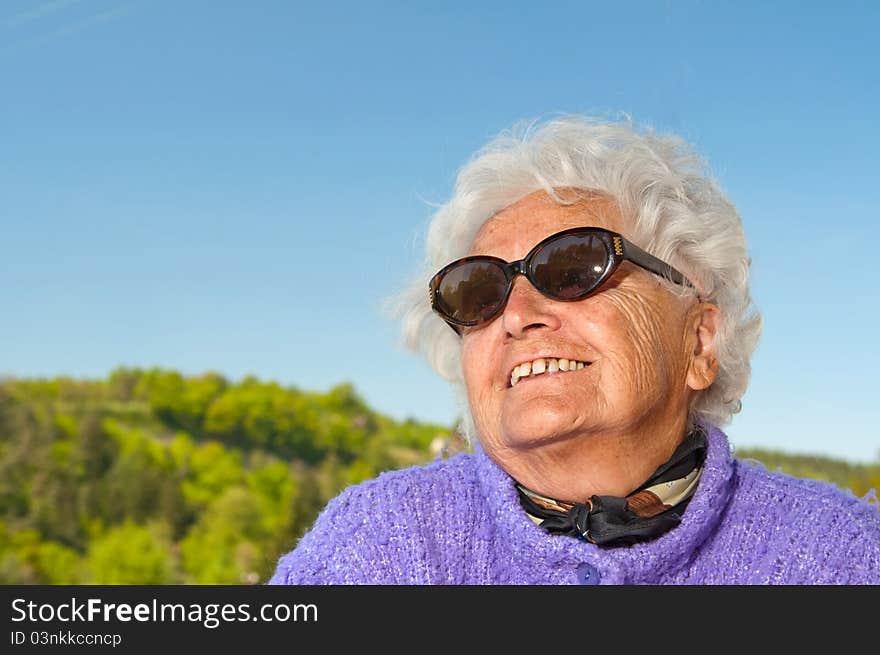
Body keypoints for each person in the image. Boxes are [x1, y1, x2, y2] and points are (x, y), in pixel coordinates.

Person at [270, 116, 880, 584]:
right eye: (479, 292)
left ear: (700, 341)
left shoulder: (840, 557)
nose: (516, 315)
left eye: (573, 267)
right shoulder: (378, 545)